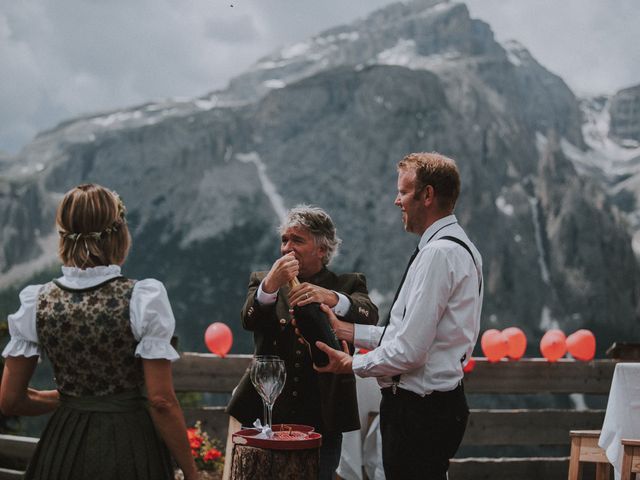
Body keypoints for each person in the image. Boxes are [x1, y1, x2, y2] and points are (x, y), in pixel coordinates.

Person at [0, 184, 198, 480]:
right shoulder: (143, 297)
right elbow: (161, 402)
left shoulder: (36, 300)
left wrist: (76, 399)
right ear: (119, 235)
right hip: (129, 446)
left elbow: (10, 401)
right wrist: (192, 474)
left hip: (63, 448)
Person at [314, 153, 483, 480]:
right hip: (439, 405)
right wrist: (349, 331)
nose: (397, 201)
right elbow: (411, 333)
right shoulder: (463, 249)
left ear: (428, 195)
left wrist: (350, 364)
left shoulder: (437, 254)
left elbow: (410, 350)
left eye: (404, 192)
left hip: (418, 413)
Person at [226, 205, 378, 480]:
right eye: (284, 239)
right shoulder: (263, 281)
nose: (287, 248)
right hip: (267, 414)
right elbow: (249, 319)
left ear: (322, 249)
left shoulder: (348, 283)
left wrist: (330, 297)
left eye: (297, 240)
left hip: (322, 416)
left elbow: (369, 313)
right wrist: (270, 285)